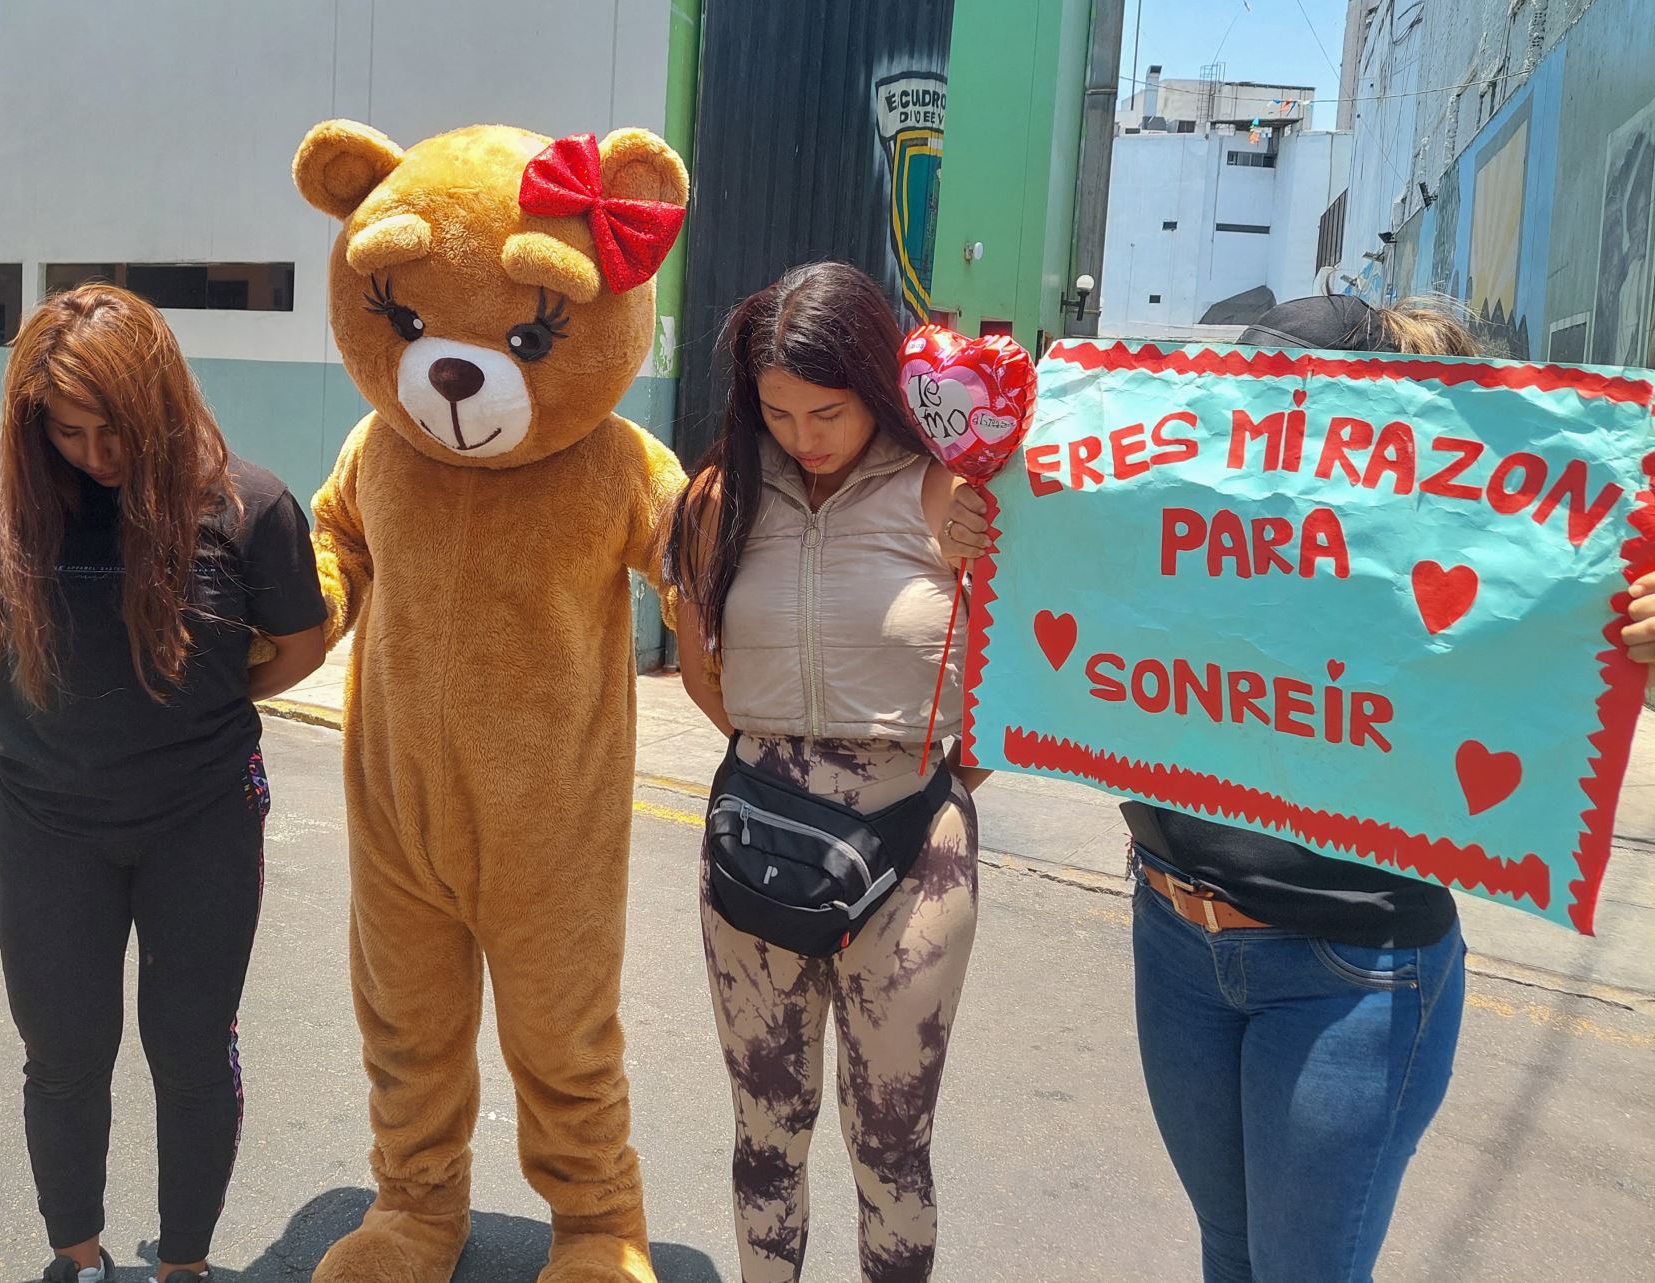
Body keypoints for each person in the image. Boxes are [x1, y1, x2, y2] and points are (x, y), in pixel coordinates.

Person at [940, 293, 1655, 1282]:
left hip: (1349, 972)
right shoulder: (1190, 504)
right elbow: (1074, 612)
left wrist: (1628, 642)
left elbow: (1541, 648)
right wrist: (978, 530)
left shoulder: (1432, 530)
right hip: (1177, 937)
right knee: (1232, 1259)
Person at [0, 284, 328, 1283]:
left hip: (201, 816)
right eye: (68, 430)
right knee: (64, 1050)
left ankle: (184, 1262)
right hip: (44, 819)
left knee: (192, 1046)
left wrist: (193, 693)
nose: (96, 452)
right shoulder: (9, 509)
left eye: (115, 425)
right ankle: (77, 1252)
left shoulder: (247, 503)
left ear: (161, 395)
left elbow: (302, 643)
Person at [664, 261, 986, 1283]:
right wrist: (780, 751)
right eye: (778, 410)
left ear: (877, 386)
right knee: (767, 1131)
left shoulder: (947, 491)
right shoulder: (724, 494)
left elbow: (1007, 675)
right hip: (756, 835)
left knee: (892, 1140)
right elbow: (702, 670)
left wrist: (920, 767)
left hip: (913, 843)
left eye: (830, 411)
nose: (805, 435)